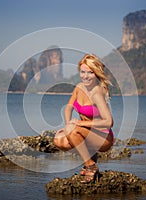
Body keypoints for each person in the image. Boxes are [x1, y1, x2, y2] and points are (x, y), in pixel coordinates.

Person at [54, 54, 114, 183]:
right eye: (83, 72)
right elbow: (68, 107)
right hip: (86, 132)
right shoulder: (79, 87)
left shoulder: (97, 92)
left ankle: (90, 166)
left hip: (103, 137)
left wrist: (79, 123)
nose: (85, 76)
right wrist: (67, 125)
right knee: (59, 140)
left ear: (97, 73)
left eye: (90, 72)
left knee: (72, 131)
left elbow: (109, 122)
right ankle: (91, 157)